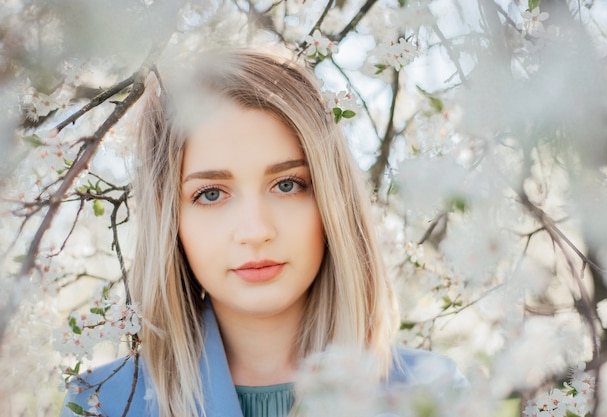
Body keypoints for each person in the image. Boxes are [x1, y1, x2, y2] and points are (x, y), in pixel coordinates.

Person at [60, 48, 465, 417]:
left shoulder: (432, 394)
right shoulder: (101, 404)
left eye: (287, 184)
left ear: (331, 201)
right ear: (170, 221)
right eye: (211, 193)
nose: (255, 232)